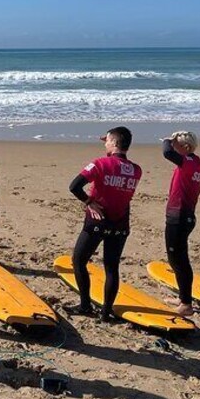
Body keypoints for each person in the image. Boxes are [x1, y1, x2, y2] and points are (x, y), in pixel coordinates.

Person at [67, 126, 142, 322]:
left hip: (97, 221)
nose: (105, 144)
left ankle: (85, 305)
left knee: (78, 260)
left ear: (114, 143)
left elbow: (74, 186)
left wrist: (89, 202)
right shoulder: (136, 170)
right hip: (120, 224)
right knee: (111, 267)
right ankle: (106, 312)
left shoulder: (100, 164)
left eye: (107, 140)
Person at [162, 131, 200, 317]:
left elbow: (166, 153)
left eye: (176, 144)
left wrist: (167, 140)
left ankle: (186, 304)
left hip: (179, 217)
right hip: (185, 216)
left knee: (178, 260)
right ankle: (183, 297)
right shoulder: (195, 161)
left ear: (185, 148)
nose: (172, 146)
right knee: (178, 259)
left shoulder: (188, 161)